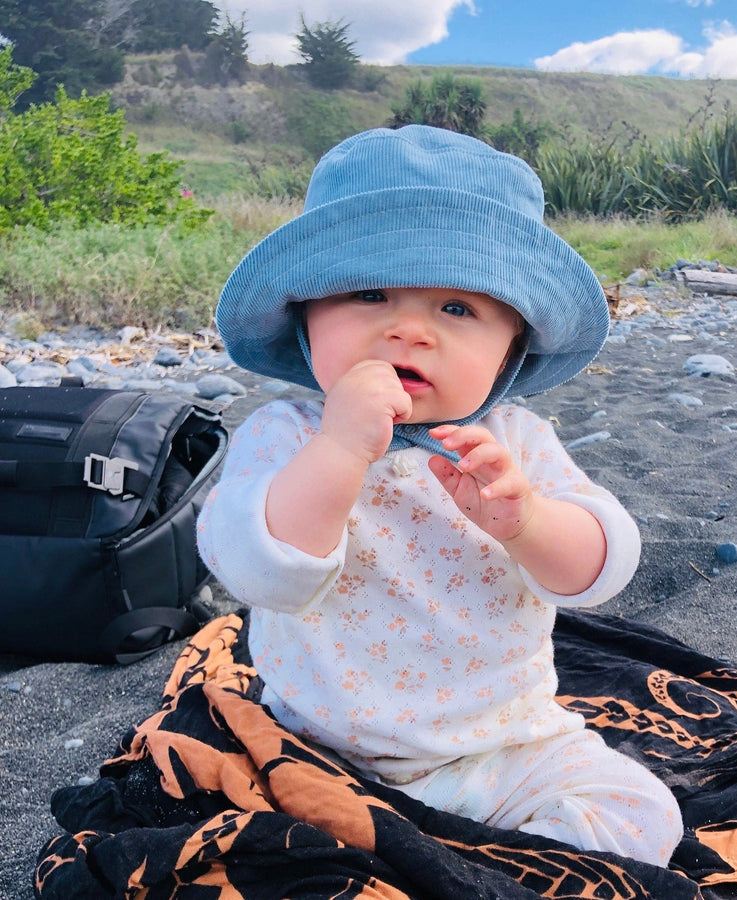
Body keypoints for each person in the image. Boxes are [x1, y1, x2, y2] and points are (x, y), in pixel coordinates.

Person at [198, 125, 683, 865]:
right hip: (324, 751)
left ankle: (479, 872)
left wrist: (528, 522)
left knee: (644, 815)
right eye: (368, 293)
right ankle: (440, 864)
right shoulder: (286, 435)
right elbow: (261, 572)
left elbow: (598, 572)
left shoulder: (513, 442)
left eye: (458, 309)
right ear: (303, 321)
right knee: (260, 852)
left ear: (512, 348)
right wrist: (340, 450)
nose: (408, 330)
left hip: (504, 746)